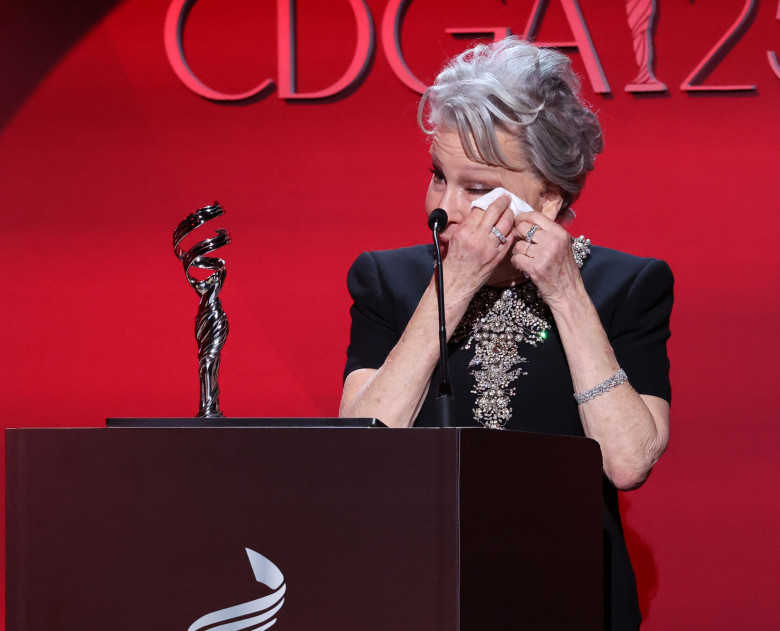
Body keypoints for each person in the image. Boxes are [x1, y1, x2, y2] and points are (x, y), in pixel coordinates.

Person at [339, 36, 672, 630]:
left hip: (570, 592)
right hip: (417, 590)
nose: (443, 206)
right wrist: (453, 286)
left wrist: (566, 292)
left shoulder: (628, 286)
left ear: (548, 197)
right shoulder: (387, 280)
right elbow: (358, 454)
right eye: (438, 177)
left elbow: (627, 463)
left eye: (474, 186)